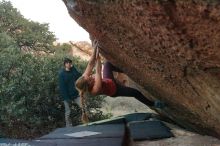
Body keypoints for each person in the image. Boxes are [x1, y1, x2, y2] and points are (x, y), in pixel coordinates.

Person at [75, 41, 165, 117]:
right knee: (135, 93)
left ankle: (128, 71)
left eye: (87, 76)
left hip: (108, 81)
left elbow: (91, 64)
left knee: (108, 64)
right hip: (115, 90)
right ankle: (153, 104)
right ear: (88, 85)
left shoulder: (84, 78)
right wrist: (97, 56)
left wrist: (94, 48)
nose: (89, 76)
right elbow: (98, 70)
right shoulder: (95, 90)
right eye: (89, 78)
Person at [59, 58, 81, 127]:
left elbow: (78, 76)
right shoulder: (62, 74)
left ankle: (85, 121)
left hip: (75, 94)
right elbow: (62, 87)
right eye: (67, 63)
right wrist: (66, 98)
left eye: (70, 63)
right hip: (66, 96)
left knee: (83, 107)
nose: (69, 64)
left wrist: (73, 68)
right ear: (65, 64)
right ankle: (68, 126)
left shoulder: (73, 72)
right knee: (68, 112)